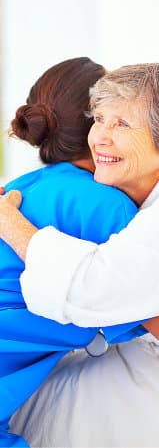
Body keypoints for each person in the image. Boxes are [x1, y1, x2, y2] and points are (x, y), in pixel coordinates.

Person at [1, 63, 159, 447]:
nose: (102, 136)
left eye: (122, 124)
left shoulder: (23, 186)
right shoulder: (108, 208)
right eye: (99, 118)